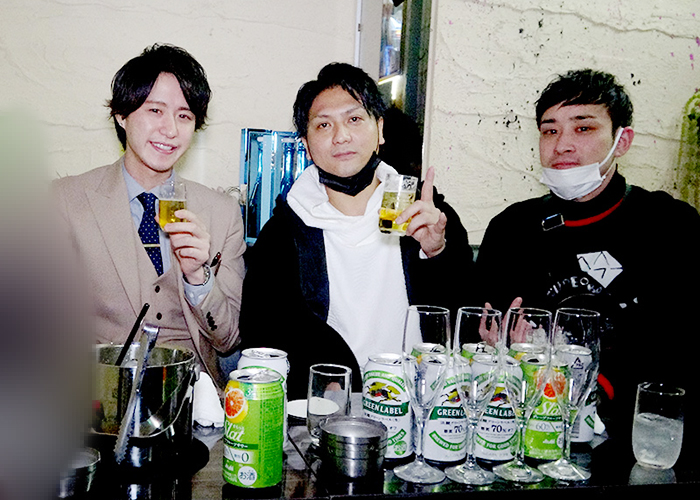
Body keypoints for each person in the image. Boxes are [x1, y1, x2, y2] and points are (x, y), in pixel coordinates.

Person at [475, 69, 700, 443]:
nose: (562, 145)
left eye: (583, 128)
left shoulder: (670, 226)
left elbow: (680, 352)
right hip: (525, 431)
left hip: (634, 439)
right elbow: (479, 329)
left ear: (621, 141)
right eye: (550, 131)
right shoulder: (512, 228)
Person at [239, 63, 473, 399]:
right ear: (306, 144)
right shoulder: (284, 232)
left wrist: (436, 253)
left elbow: (468, 324)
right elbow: (262, 334)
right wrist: (323, 375)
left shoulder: (426, 214)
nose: (341, 136)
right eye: (324, 125)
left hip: (423, 400)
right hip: (329, 406)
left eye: (354, 119)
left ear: (380, 129)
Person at [52, 44, 246, 389]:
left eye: (184, 116)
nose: (170, 129)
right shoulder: (66, 200)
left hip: (191, 395)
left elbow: (228, 339)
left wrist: (198, 277)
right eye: (155, 110)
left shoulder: (222, 213)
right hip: (96, 393)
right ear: (121, 115)